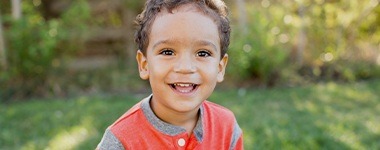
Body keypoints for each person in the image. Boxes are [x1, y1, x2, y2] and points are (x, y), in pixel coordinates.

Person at [97, 0, 243, 149]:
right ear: (144, 64)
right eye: (167, 52)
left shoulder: (228, 128)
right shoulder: (120, 141)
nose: (185, 67)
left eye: (203, 53)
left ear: (220, 68)